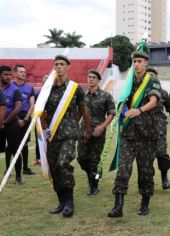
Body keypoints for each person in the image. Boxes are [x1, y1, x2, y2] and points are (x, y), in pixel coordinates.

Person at [108, 49, 161, 218]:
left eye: (140, 61)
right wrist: (123, 112)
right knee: (123, 168)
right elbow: (122, 102)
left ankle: (145, 202)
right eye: (135, 62)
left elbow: (154, 100)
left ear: (146, 63)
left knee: (145, 171)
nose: (137, 64)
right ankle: (118, 205)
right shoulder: (128, 82)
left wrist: (139, 110)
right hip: (129, 134)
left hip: (147, 135)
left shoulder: (151, 81)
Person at [45, 55, 91, 217]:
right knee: (54, 169)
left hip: (69, 133)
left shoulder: (75, 88)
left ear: (68, 66)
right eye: (56, 64)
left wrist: (87, 129)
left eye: (62, 64)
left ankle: (69, 202)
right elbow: (41, 111)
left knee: (63, 164)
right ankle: (61, 201)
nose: (58, 67)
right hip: (52, 135)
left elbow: (84, 109)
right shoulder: (47, 88)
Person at [77, 70, 116, 195]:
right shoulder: (82, 96)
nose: (91, 79)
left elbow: (111, 113)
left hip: (98, 132)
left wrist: (102, 126)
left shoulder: (106, 96)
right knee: (82, 158)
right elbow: (78, 113)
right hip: (84, 131)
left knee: (94, 160)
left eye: (94, 77)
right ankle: (95, 175)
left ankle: (94, 186)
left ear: (99, 80)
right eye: (89, 77)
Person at [146, 67, 170, 189]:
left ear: (157, 76)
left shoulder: (163, 93)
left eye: (152, 75)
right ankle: (148, 181)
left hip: (159, 130)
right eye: (148, 75)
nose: (150, 77)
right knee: (147, 158)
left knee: (162, 156)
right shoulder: (139, 92)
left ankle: (164, 176)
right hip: (143, 130)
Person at [0, 65, 23, 185]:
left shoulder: (15, 90)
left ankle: (18, 177)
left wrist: (4, 122)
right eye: (5, 74)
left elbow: (18, 108)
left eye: (10, 74)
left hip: (10, 123)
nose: (8, 77)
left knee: (15, 150)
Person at [12, 65, 35, 175]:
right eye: (21, 72)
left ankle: (25, 168)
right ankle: (9, 168)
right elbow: (8, 106)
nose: (24, 73)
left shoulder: (29, 88)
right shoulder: (10, 86)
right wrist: (16, 119)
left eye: (25, 72)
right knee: (12, 143)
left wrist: (25, 119)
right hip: (12, 117)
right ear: (15, 74)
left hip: (26, 117)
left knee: (25, 143)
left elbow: (32, 105)